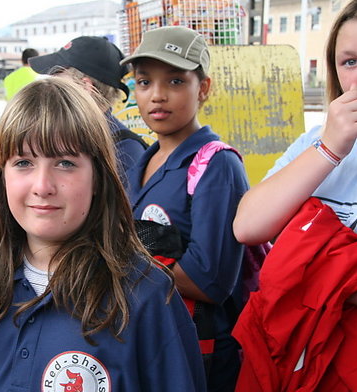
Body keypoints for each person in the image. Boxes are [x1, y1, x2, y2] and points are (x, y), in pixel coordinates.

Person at [0, 77, 206, 391]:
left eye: (65, 163)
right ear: (1, 176)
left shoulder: (147, 293)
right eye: (24, 162)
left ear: (98, 177)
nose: (42, 186)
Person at [121, 26, 249, 391]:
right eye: (144, 82)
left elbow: (209, 281)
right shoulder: (140, 162)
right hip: (149, 342)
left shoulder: (217, 166)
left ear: (203, 88)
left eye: (175, 81)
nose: (157, 96)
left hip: (199, 352)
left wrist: (118, 258)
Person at [233, 2, 357, 304]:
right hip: (311, 345)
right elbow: (247, 226)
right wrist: (329, 149)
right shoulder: (317, 142)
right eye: (350, 62)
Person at [29, 36, 147, 181]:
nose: (50, 87)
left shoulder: (125, 150)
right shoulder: (64, 135)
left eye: (57, 79)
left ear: (85, 87)